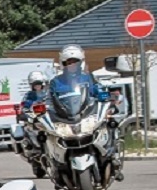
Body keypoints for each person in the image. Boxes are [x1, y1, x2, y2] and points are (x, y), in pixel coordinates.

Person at [49, 45, 122, 181]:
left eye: (74, 61)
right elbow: (49, 99)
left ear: (80, 62)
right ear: (63, 64)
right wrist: (42, 109)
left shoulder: (87, 78)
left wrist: (106, 97)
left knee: (109, 123)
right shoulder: (55, 82)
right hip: (66, 118)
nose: (71, 65)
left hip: (86, 114)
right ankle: (56, 167)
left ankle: (113, 157)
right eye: (68, 62)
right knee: (49, 134)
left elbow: (97, 90)